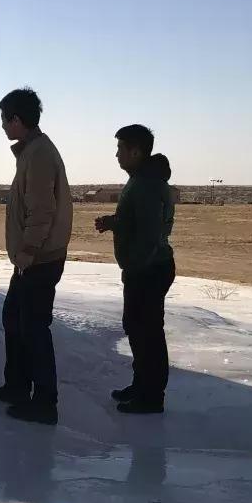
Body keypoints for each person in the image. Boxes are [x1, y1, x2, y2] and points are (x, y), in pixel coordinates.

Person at [0, 88, 73, 425]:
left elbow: (41, 211)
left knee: (33, 326)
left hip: (39, 258)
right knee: (15, 319)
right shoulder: (32, 152)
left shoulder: (38, 155)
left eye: (5, 120)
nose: (3, 127)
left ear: (17, 120)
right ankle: (17, 386)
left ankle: (44, 401)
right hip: (33, 257)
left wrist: (28, 251)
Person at [95, 126, 176, 414]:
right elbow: (137, 221)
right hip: (144, 268)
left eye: (121, 149)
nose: (116, 154)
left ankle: (152, 397)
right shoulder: (141, 180)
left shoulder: (147, 185)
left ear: (136, 152)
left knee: (148, 332)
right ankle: (142, 384)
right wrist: (113, 222)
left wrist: (136, 266)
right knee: (137, 327)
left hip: (148, 270)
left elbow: (151, 233)